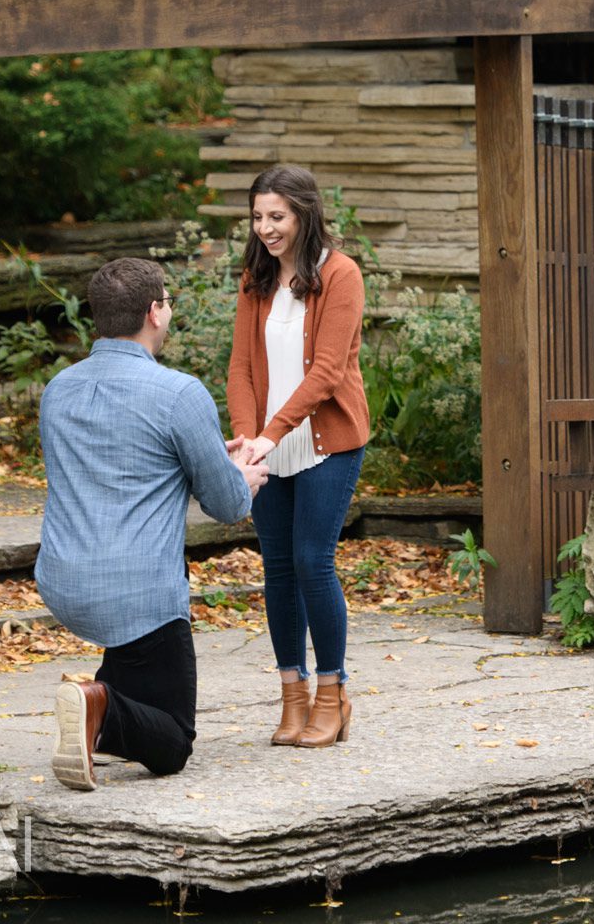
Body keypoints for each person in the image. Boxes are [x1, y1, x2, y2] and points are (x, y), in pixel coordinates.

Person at [35, 257, 270, 792]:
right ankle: (98, 707)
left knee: (135, 649)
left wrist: (204, 454)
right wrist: (241, 472)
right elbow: (229, 504)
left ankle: (97, 710)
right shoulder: (178, 394)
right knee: (172, 744)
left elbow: (119, 467)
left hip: (64, 580)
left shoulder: (58, 391)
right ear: (155, 312)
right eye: (167, 300)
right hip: (137, 590)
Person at [226, 163, 369, 749]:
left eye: (277, 217)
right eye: (258, 217)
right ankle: (293, 696)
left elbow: (327, 372)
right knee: (278, 568)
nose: (266, 228)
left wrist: (272, 432)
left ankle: (332, 696)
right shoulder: (254, 280)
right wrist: (245, 436)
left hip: (325, 442)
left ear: (304, 214)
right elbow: (239, 367)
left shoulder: (340, 275)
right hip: (265, 448)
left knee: (313, 562)